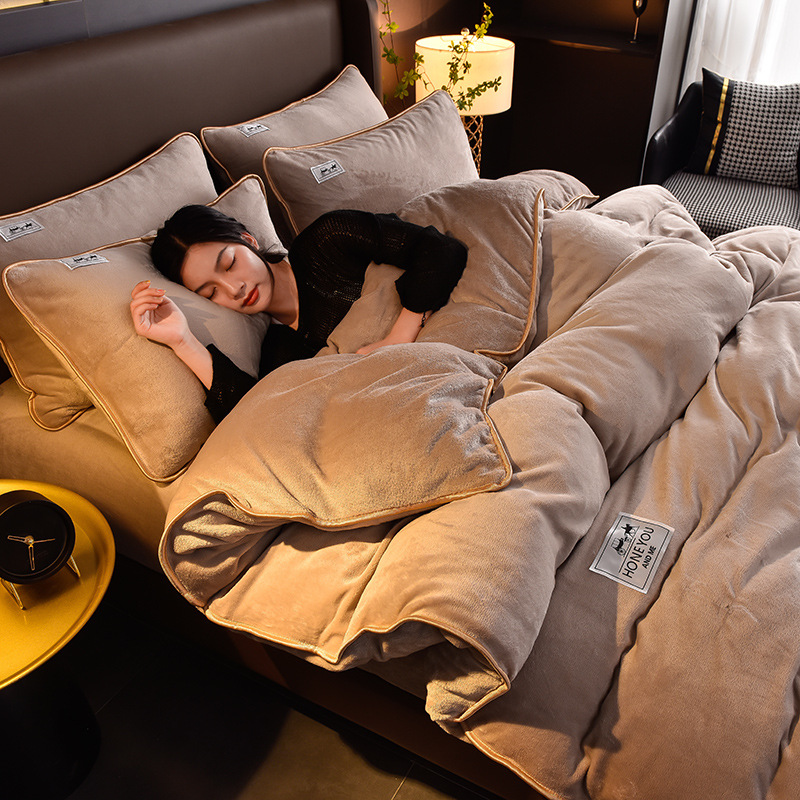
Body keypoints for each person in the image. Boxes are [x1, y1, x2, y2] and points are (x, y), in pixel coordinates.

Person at [130, 206, 468, 422]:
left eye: (230, 264)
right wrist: (183, 340)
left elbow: (440, 249)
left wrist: (399, 335)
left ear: (249, 240)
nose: (233, 289)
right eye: (211, 292)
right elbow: (256, 415)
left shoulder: (327, 240)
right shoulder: (278, 350)